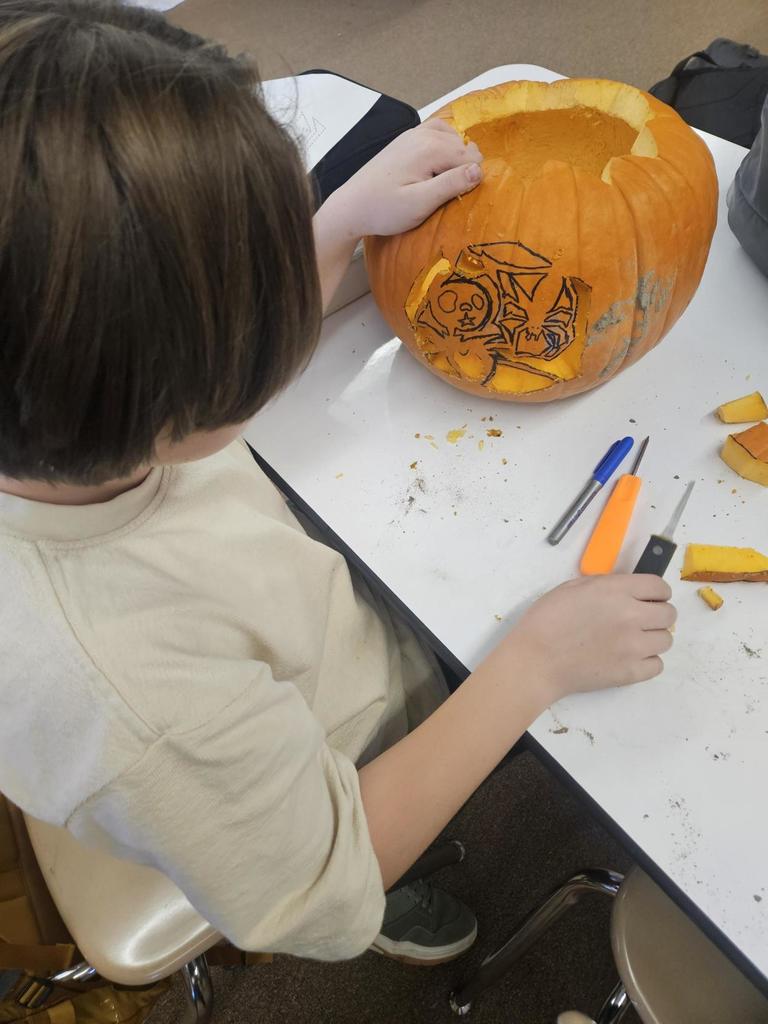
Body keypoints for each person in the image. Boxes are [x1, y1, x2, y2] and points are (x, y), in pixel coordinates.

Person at [0, 0, 675, 968]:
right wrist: (534, 665)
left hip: (287, 622)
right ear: (175, 395)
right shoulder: (136, 703)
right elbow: (313, 891)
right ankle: (402, 890)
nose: (296, 283)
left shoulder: (66, 415)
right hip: (324, 781)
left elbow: (183, 360)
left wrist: (338, 223)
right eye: (267, 294)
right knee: (355, 858)